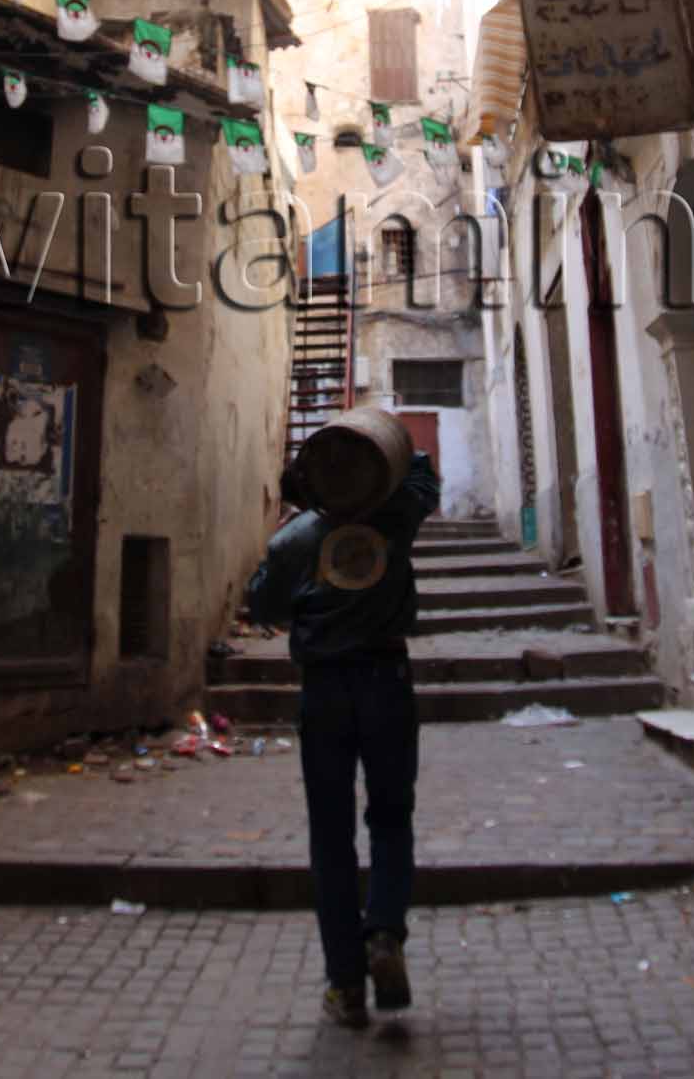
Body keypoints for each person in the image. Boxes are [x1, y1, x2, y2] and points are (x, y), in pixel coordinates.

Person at [244, 440, 443, 1029]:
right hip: (387, 679)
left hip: (325, 689)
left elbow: (262, 608)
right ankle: (384, 929)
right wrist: (375, 448)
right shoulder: (395, 515)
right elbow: (422, 470)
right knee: (390, 816)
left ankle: (345, 985)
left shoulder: (293, 541)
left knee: (331, 838)